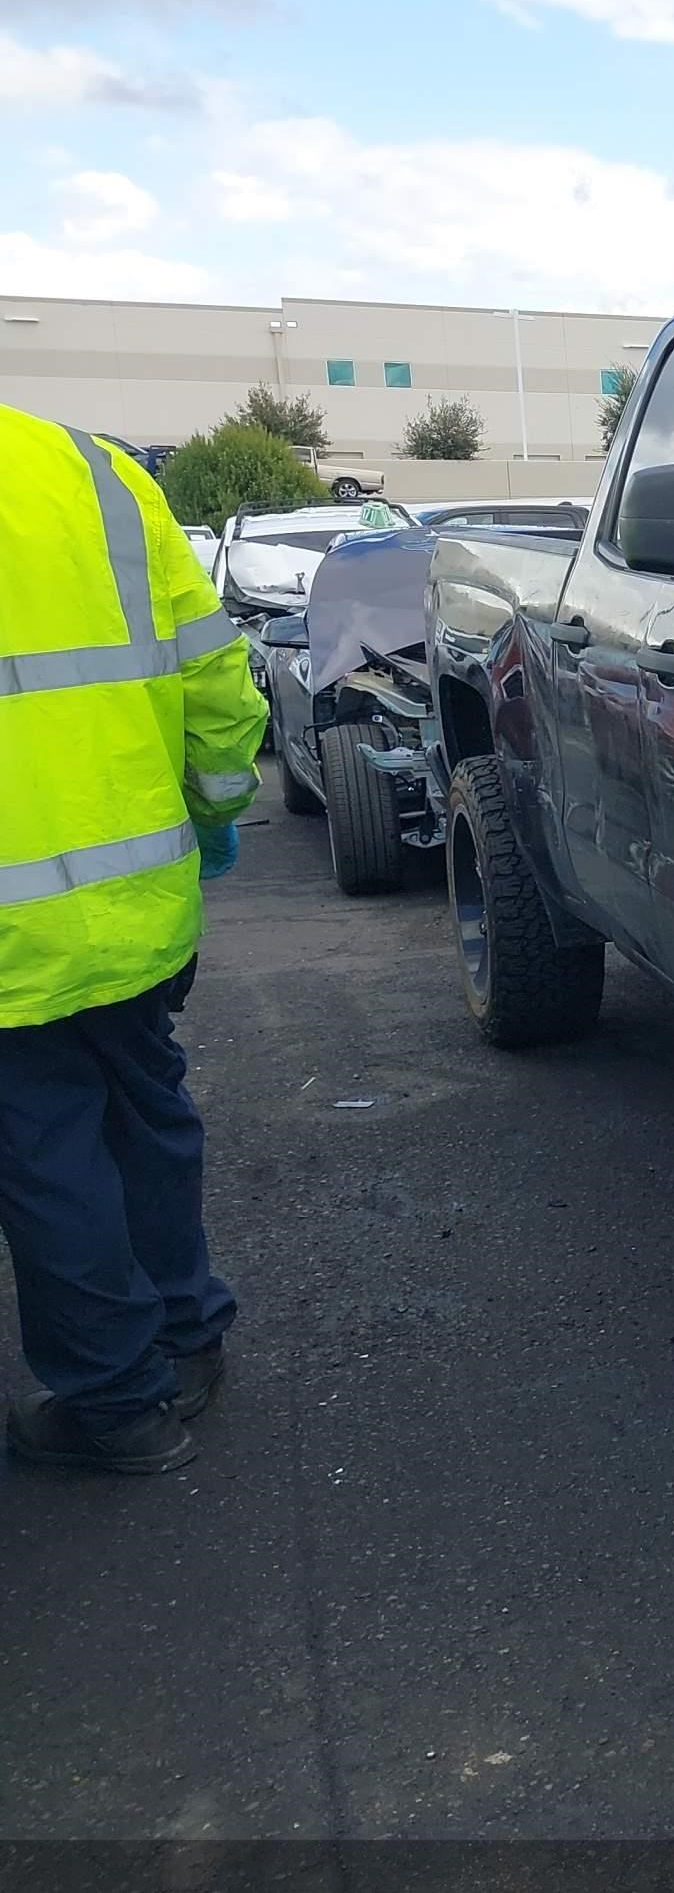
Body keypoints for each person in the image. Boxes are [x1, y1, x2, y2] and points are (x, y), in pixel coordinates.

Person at [0, 404, 267, 1473]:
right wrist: (213, 817)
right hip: (138, 901)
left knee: (47, 1154)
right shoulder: (94, 470)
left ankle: (117, 1405)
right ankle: (185, 1335)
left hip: (15, 942)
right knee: (146, 1116)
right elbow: (214, 679)